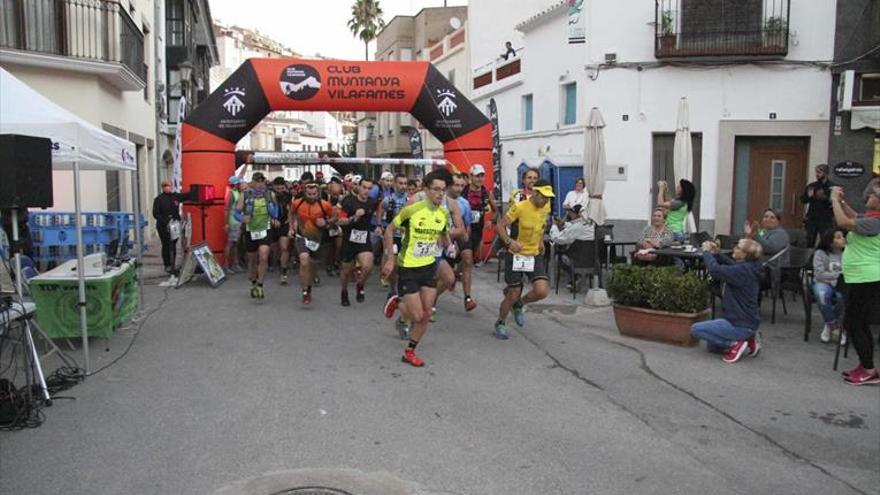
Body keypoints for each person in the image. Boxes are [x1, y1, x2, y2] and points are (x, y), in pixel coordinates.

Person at [381, 170, 452, 367]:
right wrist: (390, 259)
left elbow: (443, 235)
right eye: (436, 189)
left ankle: (410, 351)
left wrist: (449, 245)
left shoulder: (443, 213)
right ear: (426, 190)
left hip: (429, 266)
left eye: (443, 190)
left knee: (427, 314)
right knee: (417, 315)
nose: (440, 194)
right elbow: (389, 230)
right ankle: (397, 302)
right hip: (409, 267)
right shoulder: (412, 210)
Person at [831, 180, 880, 385]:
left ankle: (868, 369)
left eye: (873, 195)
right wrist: (842, 201)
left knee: (855, 324)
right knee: (857, 323)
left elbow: (844, 222)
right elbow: (852, 215)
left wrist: (834, 200)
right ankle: (866, 366)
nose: (868, 196)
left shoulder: (876, 221)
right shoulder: (870, 217)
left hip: (866, 278)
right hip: (859, 278)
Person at [493, 180, 555, 339]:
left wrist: (540, 241)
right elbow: (500, 225)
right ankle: (500, 322)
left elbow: (540, 227)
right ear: (535, 193)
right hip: (516, 255)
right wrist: (509, 242)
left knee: (542, 290)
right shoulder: (520, 207)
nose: (547, 201)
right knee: (513, 292)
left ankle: (520, 304)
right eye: (544, 197)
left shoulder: (545, 208)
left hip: (534, 254)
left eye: (549, 198)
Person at [690, 238, 764, 363]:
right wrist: (717, 253)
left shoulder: (741, 271)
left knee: (696, 329)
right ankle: (748, 338)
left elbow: (715, 270)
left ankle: (735, 343)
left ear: (745, 255)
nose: (734, 249)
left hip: (739, 323)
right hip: (747, 321)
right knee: (712, 346)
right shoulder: (749, 267)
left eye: (738, 248)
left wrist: (707, 252)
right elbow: (731, 265)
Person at [289, 182, 337, 305]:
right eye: (309, 194)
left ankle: (308, 287)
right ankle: (305, 292)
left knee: (312, 265)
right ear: (305, 193)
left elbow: (334, 217)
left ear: (318, 193)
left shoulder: (324, 205)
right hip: (301, 236)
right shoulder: (297, 202)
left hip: (317, 239)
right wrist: (291, 227)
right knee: (304, 261)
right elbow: (291, 213)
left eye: (314, 194)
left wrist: (326, 222)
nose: (311, 196)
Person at [236, 172, 279, 299]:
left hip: (265, 229)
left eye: (262, 181)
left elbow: (276, 209)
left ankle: (260, 285)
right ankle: (253, 282)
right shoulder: (245, 195)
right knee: (252, 260)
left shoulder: (270, 194)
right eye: (257, 182)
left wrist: (274, 218)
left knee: (264, 257)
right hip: (250, 231)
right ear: (253, 182)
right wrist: (242, 218)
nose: (260, 184)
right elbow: (236, 213)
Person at [338, 177, 380, 306]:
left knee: (368, 266)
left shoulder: (372, 202)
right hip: (349, 239)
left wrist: (378, 225)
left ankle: (360, 285)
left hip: (363, 238)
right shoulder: (349, 201)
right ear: (359, 187)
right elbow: (340, 220)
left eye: (369, 188)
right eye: (364, 187)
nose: (366, 191)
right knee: (346, 271)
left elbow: (379, 210)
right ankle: (344, 292)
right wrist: (353, 218)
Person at [812, 227, 847, 344]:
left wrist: (833, 276)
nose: (843, 239)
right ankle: (834, 326)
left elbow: (849, 272)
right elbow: (819, 274)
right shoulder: (820, 253)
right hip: (822, 283)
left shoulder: (848, 253)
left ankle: (829, 325)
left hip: (841, 285)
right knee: (821, 295)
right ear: (830, 241)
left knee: (842, 298)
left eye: (843, 237)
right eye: (838, 237)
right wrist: (838, 275)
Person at [462, 164, 498, 261]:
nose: (480, 179)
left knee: (469, 258)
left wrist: (491, 221)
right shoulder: (463, 190)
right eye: (477, 176)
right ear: (471, 176)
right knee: (464, 257)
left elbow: (496, 211)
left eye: (482, 176)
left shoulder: (486, 193)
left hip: (477, 230)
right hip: (462, 228)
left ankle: (458, 274)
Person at [152, 180, 188, 274]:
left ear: (171, 186)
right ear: (162, 187)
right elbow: (155, 214)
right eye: (164, 186)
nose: (167, 187)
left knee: (173, 245)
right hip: (163, 226)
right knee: (166, 245)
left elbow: (186, 196)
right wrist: (166, 221)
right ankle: (167, 265)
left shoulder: (175, 196)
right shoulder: (158, 199)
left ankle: (173, 265)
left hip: (174, 225)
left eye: (168, 185)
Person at [801, 164, 835, 247]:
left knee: (826, 240)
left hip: (826, 219)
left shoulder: (832, 187)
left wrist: (825, 198)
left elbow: (835, 203)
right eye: (816, 172)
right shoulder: (812, 186)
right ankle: (809, 258)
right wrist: (808, 196)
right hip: (812, 218)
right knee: (809, 240)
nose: (817, 174)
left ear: (826, 173)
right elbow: (803, 200)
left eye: (819, 172)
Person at [270, 177, 294, 284]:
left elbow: (291, 211)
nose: (280, 190)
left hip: (284, 224)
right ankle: (275, 262)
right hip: (272, 225)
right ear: (274, 186)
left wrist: (291, 226)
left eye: (282, 188)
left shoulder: (288, 196)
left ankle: (283, 272)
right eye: (278, 188)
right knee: (274, 249)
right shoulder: (269, 195)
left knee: (284, 248)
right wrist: (271, 220)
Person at [224, 176, 245, 273]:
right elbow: (227, 209)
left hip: (238, 220)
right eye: (238, 183)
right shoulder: (231, 193)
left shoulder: (237, 193)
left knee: (236, 243)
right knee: (230, 243)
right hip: (233, 221)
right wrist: (226, 223)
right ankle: (226, 265)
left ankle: (235, 264)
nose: (240, 184)